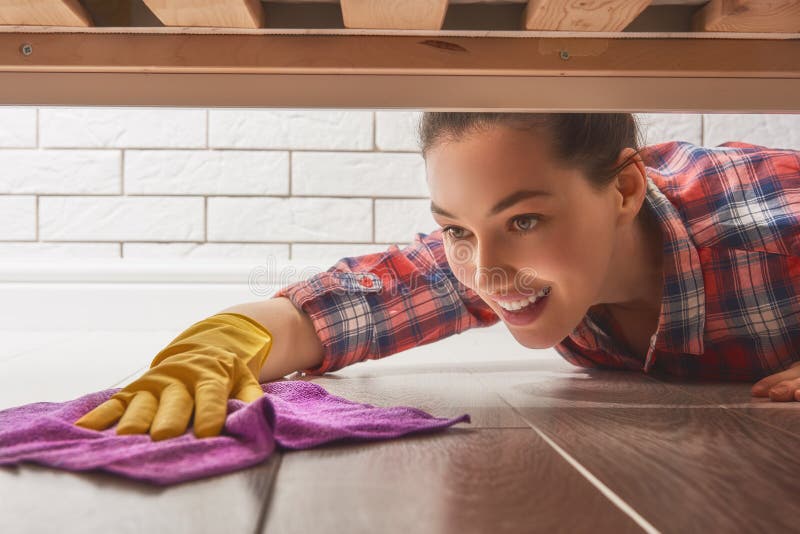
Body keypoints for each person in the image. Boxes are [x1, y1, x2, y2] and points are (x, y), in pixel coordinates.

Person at [74, 112, 800, 441]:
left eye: (524, 221)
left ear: (623, 191)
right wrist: (218, 345)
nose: (485, 271)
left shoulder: (764, 221)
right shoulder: (483, 266)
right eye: (457, 228)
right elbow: (330, 313)